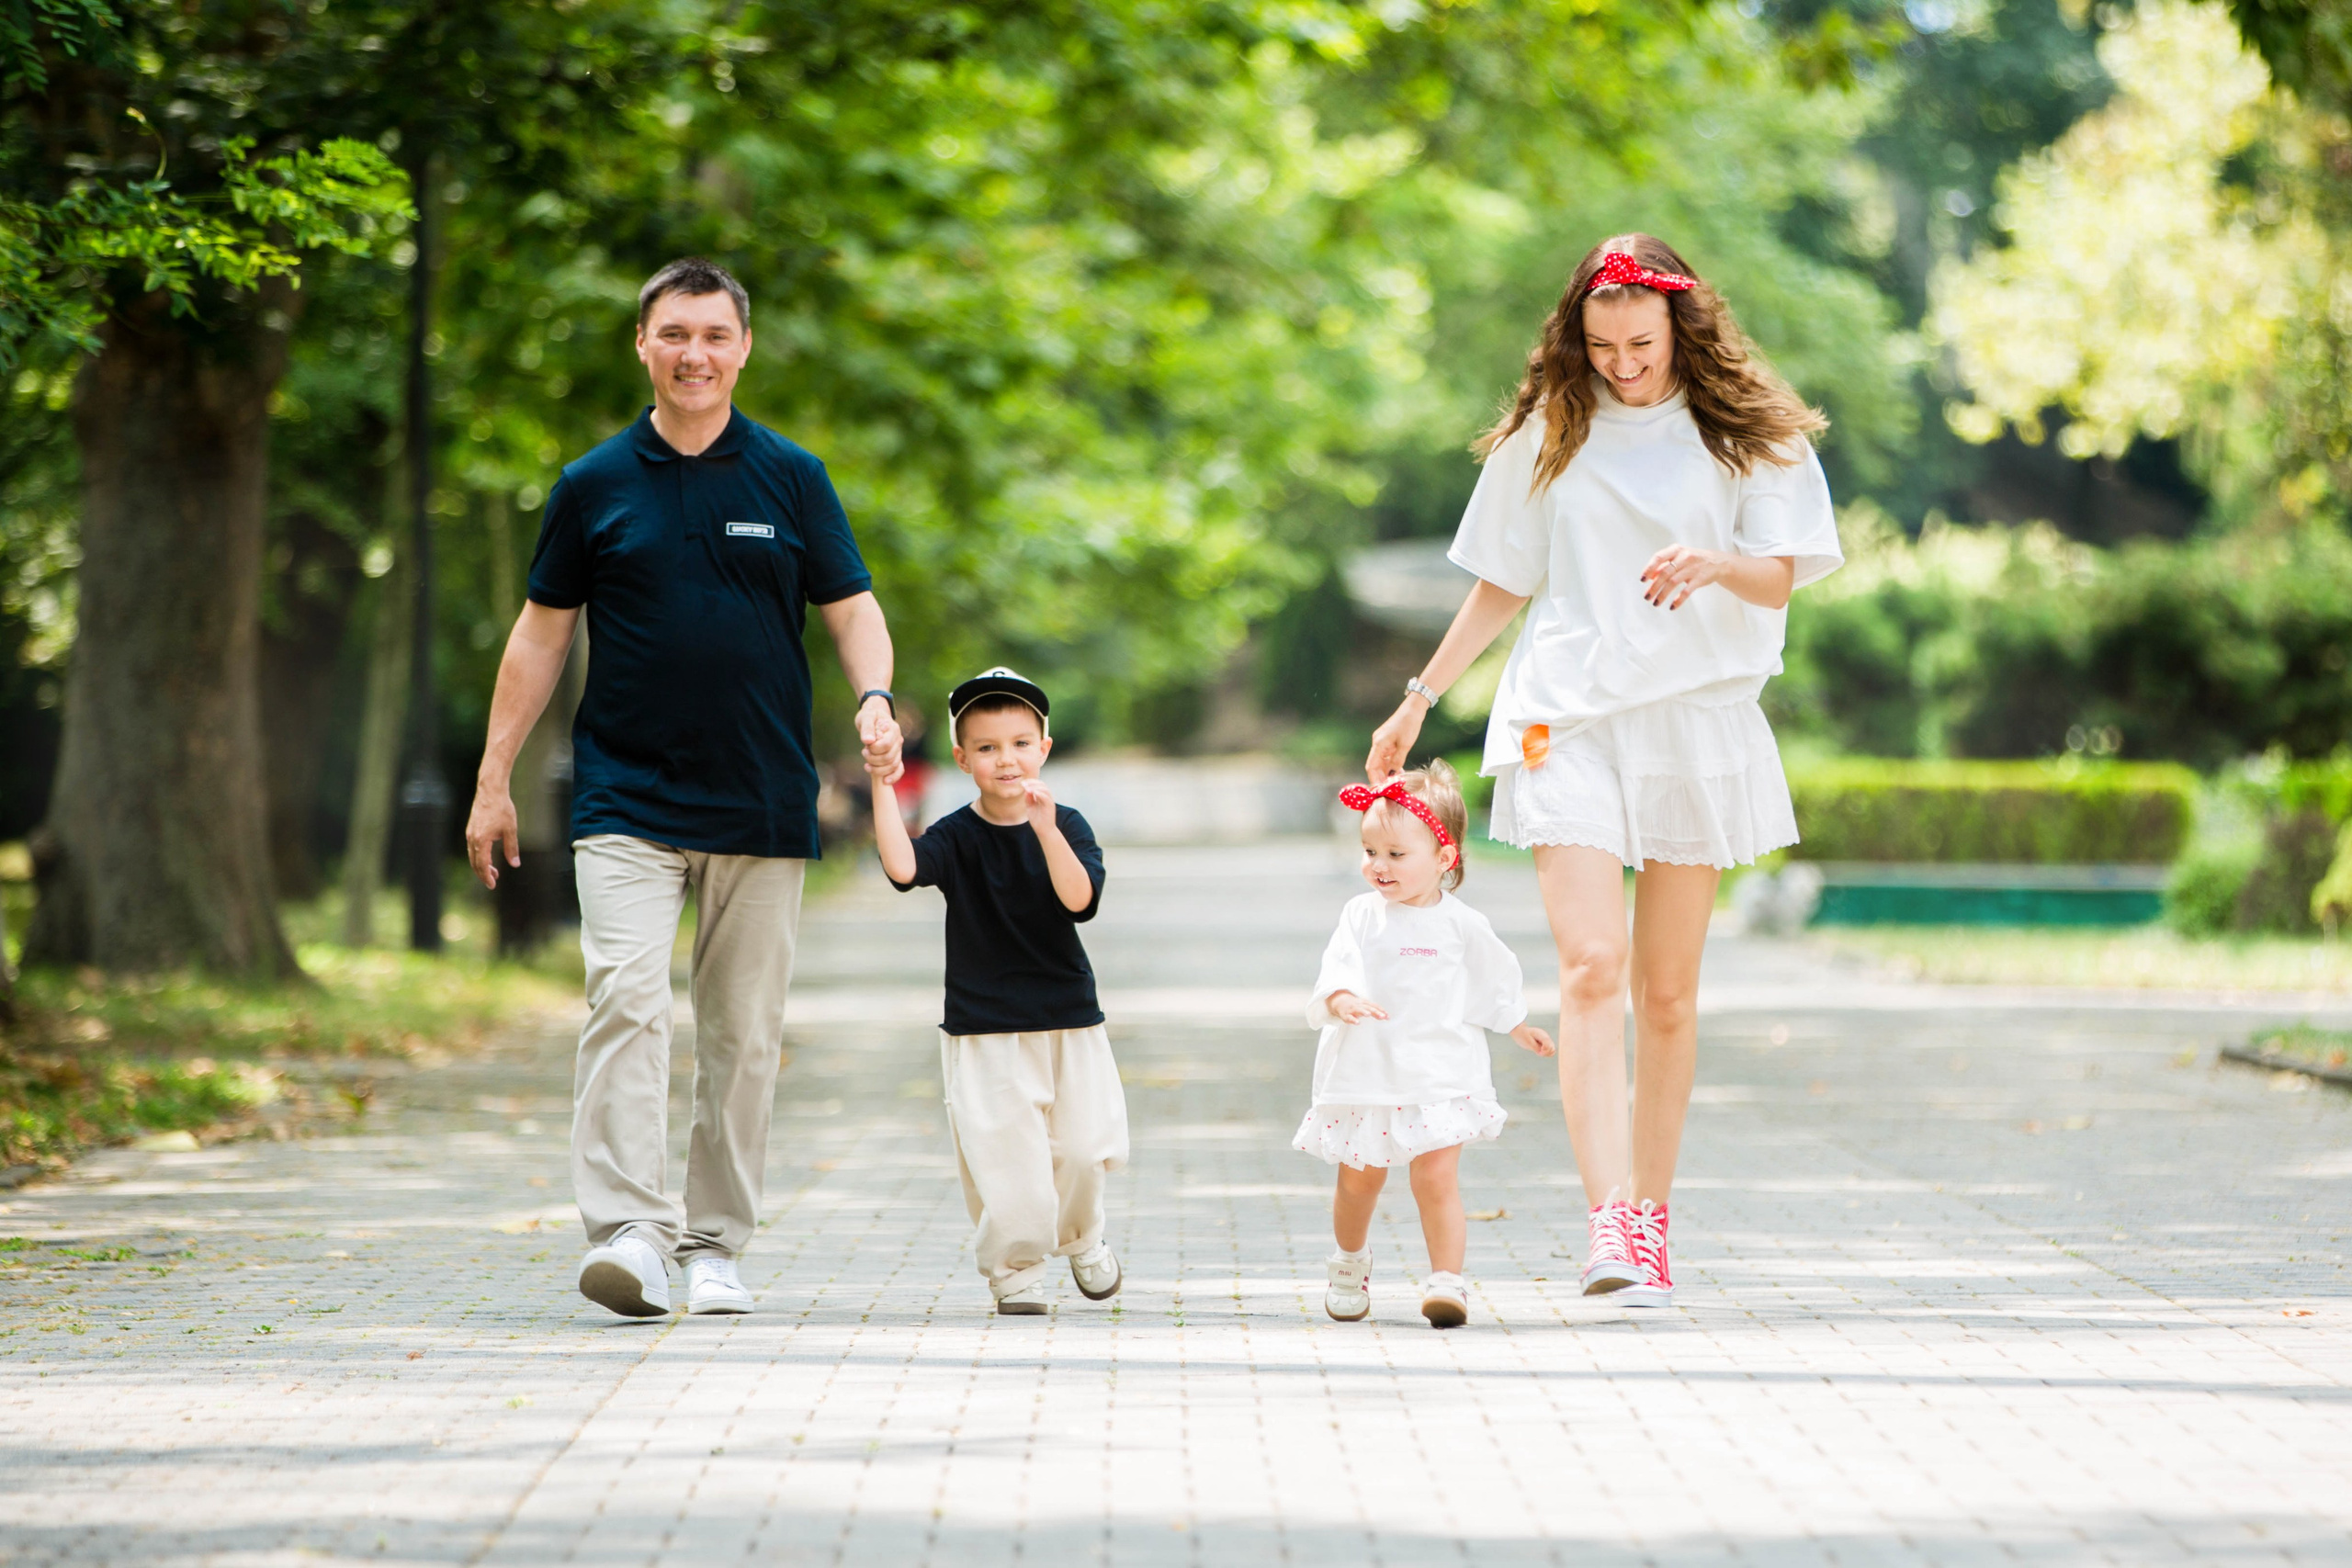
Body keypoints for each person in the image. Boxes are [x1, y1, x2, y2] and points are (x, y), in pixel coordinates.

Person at [1364, 235, 1842, 1308]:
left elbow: (1780, 582)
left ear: (1681, 325)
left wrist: (1717, 562)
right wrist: (1419, 697)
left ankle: (1654, 1214)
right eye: (1599, 343)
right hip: (1564, 718)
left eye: (1639, 342)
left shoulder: (1748, 436)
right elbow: (1500, 582)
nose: (1621, 364)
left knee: (1666, 993)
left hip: (1693, 722)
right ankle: (1608, 1221)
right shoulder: (1548, 432)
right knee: (1589, 968)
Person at [465, 257, 904, 1319]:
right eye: (675, 334)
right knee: (623, 997)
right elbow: (539, 635)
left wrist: (877, 698)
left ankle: (713, 1246)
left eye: (714, 335)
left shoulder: (791, 478)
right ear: (643, 344)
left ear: (743, 348)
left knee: (742, 1032)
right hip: (626, 797)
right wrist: (493, 778)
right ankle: (628, 1233)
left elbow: (851, 607)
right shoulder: (592, 485)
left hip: (761, 796)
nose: (694, 354)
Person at [868, 667, 1128, 1315]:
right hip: (983, 1028)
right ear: (962, 759)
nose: (1005, 758)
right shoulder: (958, 835)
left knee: (1086, 1149)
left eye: (1018, 742)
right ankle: (1014, 1268)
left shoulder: (1067, 823)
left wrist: (1044, 828)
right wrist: (881, 780)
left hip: (1068, 1019)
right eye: (986, 747)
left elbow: (1079, 899)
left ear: (1043, 747)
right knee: (1009, 1165)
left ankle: (1083, 1235)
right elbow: (903, 867)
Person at [1297, 762, 1556, 1328]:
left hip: (1440, 1074)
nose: (1378, 866)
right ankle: (1348, 1261)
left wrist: (1516, 1024)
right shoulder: (1361, 916)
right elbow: (1335, 969)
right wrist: (1342, 1000)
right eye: (1370, 851)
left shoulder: (1463, 925)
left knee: (1436, 1178)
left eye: (1395, 854)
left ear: (1445, 858)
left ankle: (1447, 1280)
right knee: (1359, 1178)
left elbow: (1496, 979)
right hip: (1368, 1071)